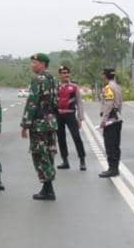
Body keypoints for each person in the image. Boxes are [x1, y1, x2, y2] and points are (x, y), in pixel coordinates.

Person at [21, 52, 58, 201]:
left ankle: (48, 189)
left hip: (39, 123)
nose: (32, 65)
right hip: (50, 121)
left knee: (39, 155)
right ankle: (47, 188)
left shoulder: (38, 79)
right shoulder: (52, 78)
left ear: (42, 64)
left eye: (35, 63)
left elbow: (32, 103)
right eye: (32, 62)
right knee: (49, 154)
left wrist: (25, 125)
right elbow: (55, 101)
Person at [54, 63, 86, 171]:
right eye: (63, 73)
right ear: (59, 75)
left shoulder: (74, 87)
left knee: (76, 137)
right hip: (58, 115)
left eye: (67, 73)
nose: (66, 74)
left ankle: (82, 160)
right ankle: (65, 161)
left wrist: (80, 118)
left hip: (70, 114)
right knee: (61, 138)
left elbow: (79, 102)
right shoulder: (55, 87)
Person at [99, 67, 123, 177]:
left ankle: (112, 169)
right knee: (116, 144)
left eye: (102, 74)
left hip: (111, 119)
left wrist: (104, 120)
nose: (102, 76)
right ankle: (115, 167)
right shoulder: (117, 86)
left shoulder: (108, 88)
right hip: (118, 118)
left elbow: (108, 105)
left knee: (110, 145)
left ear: (105, 75)